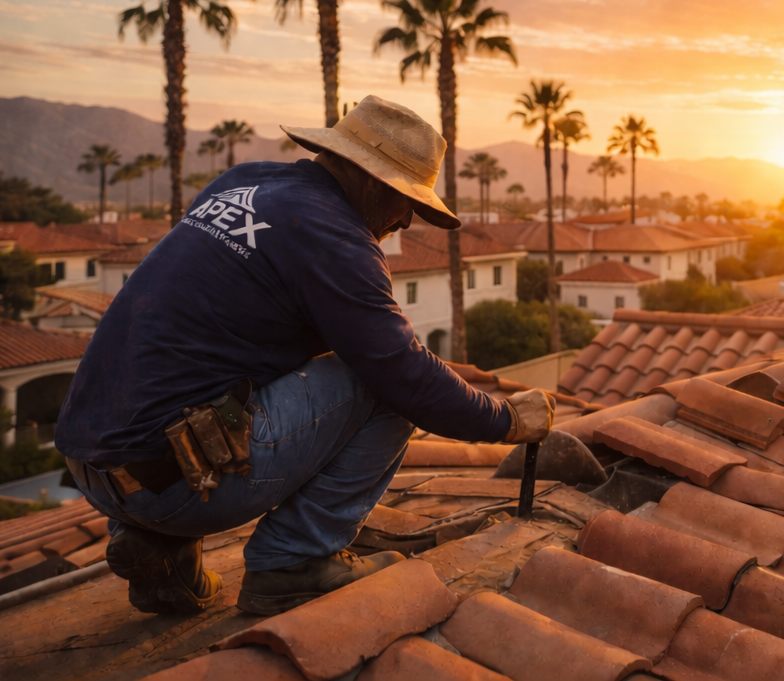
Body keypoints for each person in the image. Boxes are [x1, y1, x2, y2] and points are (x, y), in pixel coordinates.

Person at [56, 95, 555, 616]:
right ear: (372, 181)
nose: (407, 221)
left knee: (252, 367)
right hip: (170, 483)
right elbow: (406, 375)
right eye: (407, 201)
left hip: (92, 469)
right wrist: (507, 420)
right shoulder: (334, 237)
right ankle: (296, 561)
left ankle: (155, 544)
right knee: (382, 386)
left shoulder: (245, 181)